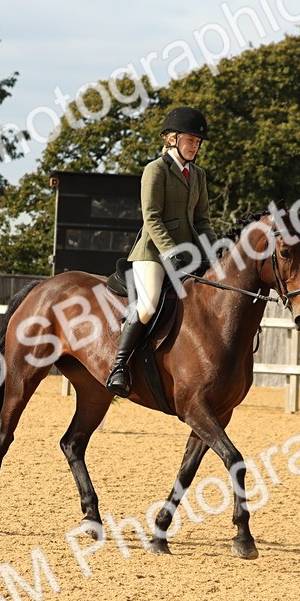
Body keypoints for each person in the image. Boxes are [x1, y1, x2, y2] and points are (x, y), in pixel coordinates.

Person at [105, 106, 217, 397]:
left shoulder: (199, 175)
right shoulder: (156, 170)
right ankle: (119, 366)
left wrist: (213, 249)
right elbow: (151, 217)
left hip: (189, 251)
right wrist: (170, 251)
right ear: (171, 139)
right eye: (191, 140)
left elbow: (202, 220)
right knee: (149, 303)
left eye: (198, 142)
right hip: (153, 253)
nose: (196, 145)